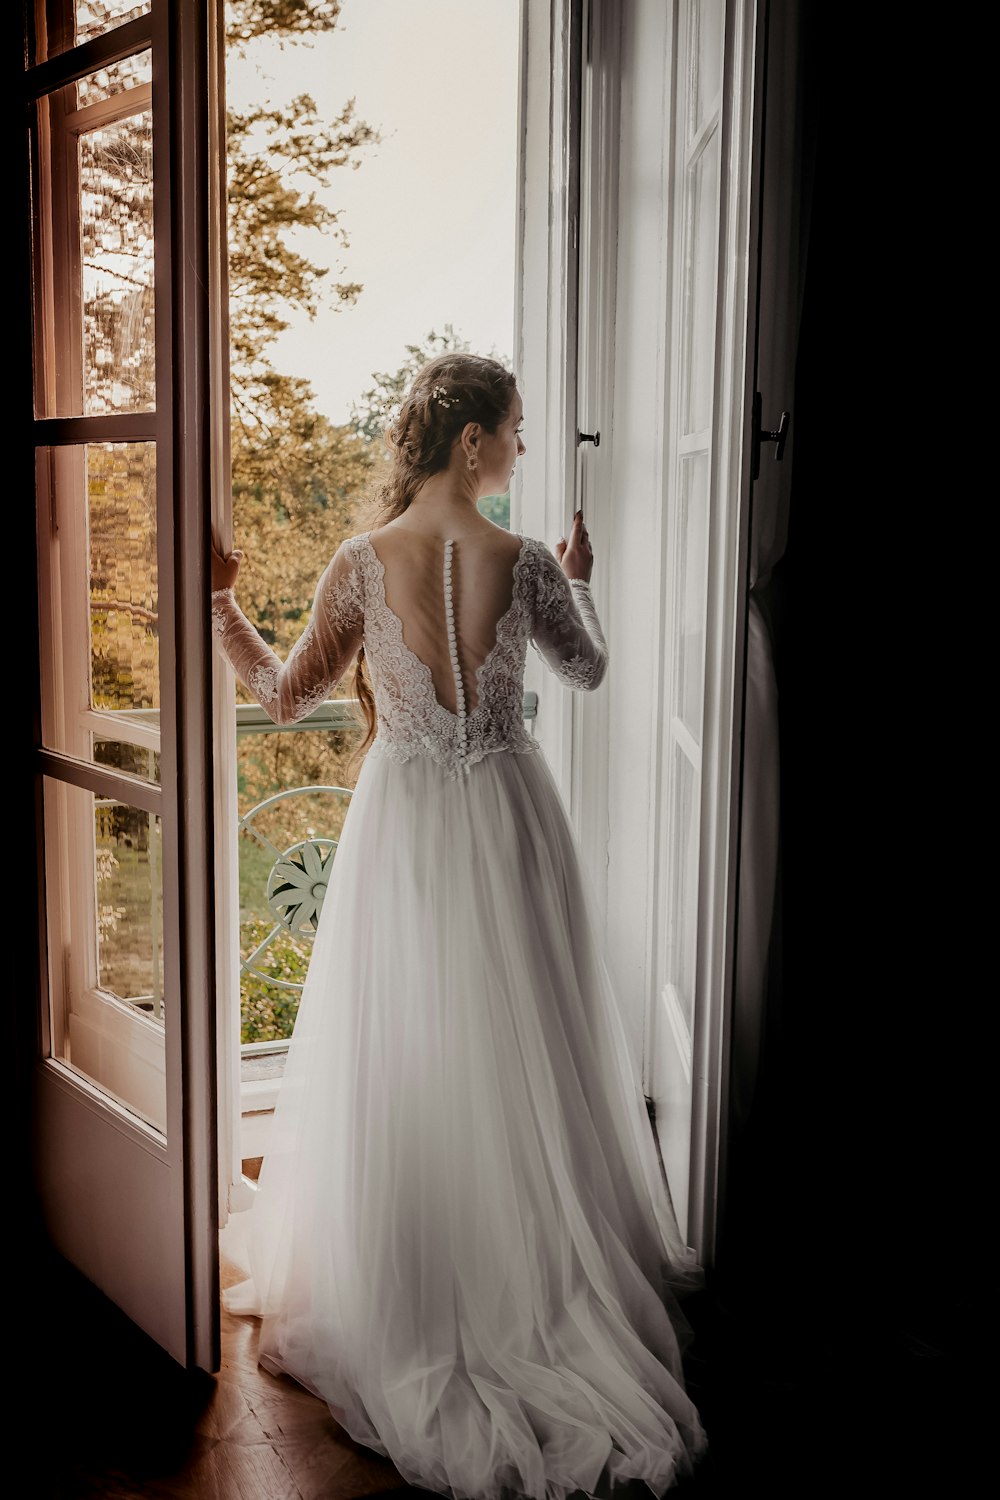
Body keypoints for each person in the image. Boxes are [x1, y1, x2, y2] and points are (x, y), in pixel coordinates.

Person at [211, 352, 707, 1499]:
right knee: (521, 1042)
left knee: (412, 1043)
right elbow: (584, 672)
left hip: (405, 824)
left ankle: (412, 1271)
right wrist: (583, 579)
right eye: (517, 430)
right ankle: (525, 1274)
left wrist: (223, 600)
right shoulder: (526, 559)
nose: (524, 449)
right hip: (508, 818)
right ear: (473, 438)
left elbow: (282, 697)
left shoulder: (355, 560)